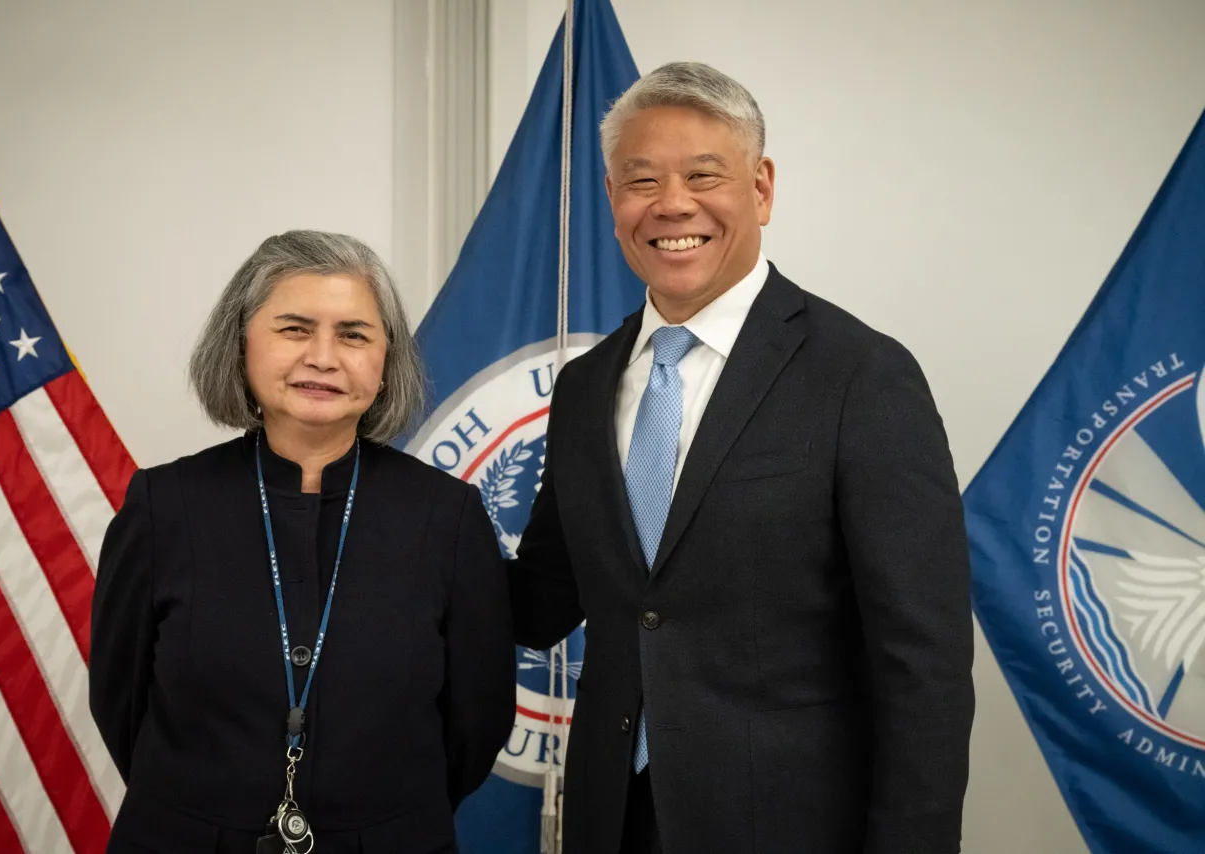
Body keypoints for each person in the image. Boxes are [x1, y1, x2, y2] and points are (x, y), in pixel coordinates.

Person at [511, 62, 975, 854]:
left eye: (703, 175)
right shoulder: (586, 386)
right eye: (640, 180)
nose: (671, 205)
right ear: (613, 199)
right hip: (612, 821)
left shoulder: (861, 375)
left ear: (760, 188)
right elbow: (544, 597)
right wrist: (392, 522)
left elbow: (922, 664)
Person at [90, 230, 514, 854]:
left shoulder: (447, 516)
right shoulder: (164, 505)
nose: (323, 356)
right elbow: (120, 702)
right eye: (294, 328)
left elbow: (475, 722)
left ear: (385, 360)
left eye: (353, 334)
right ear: (241, 345)